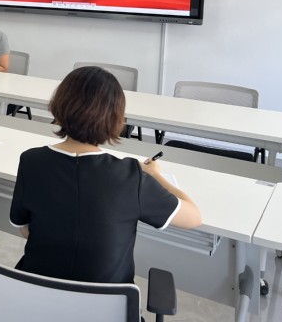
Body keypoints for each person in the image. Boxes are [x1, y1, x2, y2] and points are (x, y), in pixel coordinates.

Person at [10, 66, 202, 284]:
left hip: (36, 297)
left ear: (58, 105)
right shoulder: (131, 176)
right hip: (109, 303)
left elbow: (24, 230)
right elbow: (194, 217)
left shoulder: (31, 161)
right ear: (116, 118)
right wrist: (156, 175)